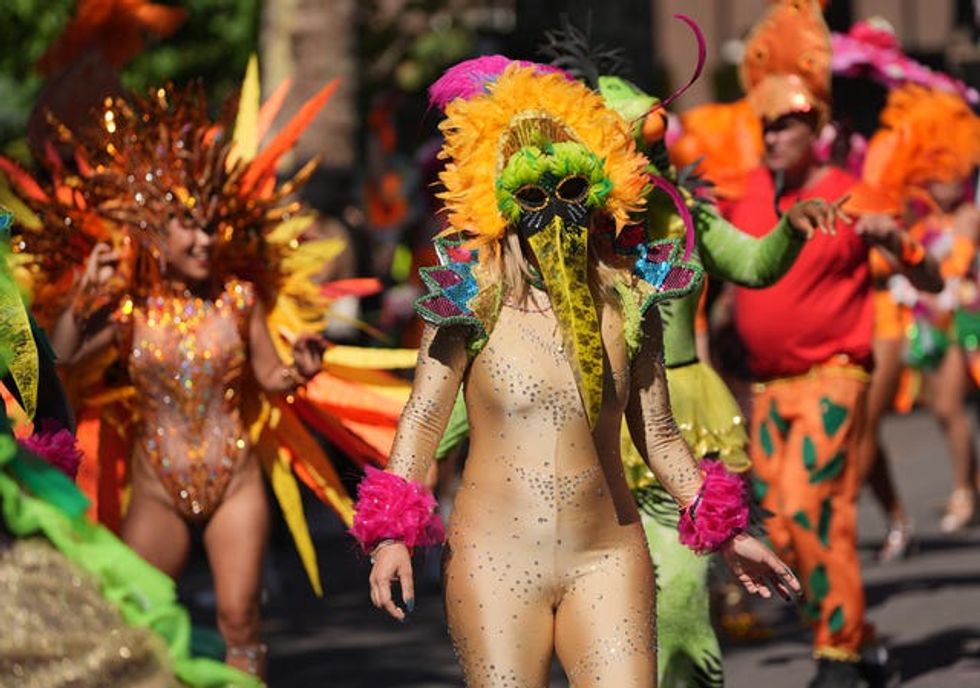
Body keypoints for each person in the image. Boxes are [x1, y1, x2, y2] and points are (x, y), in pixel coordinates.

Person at [351, 56, 800, 687]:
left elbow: (659, 434)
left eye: (572, 191)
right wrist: (391, 536)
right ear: (500, 202)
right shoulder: (468, 298)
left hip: (608, 557)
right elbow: (423, 421)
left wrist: (727, 532)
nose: (556, 215)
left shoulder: (629, 298)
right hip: (494, 562)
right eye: (534, 196)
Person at [0, 68, 359, 678]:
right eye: (188, 224)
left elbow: (271, 377)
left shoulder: (240, 299)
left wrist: (299, 369)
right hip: (157, 489)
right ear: (156, 234)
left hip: (234, 480)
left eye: (210, 223)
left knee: (240, 620)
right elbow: (61, 367)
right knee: (137, 618)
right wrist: (79, 307)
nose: (204, 238)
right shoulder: (131, 311)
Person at [729, 3, 942, 686]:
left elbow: (932, 279)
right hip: (766, 387)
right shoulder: (744, 197)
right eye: (765, 123)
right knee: (781, 525)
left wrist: (899, 243)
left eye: (787, 122)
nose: (773, 135)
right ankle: (860, 639)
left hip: (834, 376)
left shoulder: (854, 196)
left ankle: (839, 652)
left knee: (811, 507)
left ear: (816, 126)